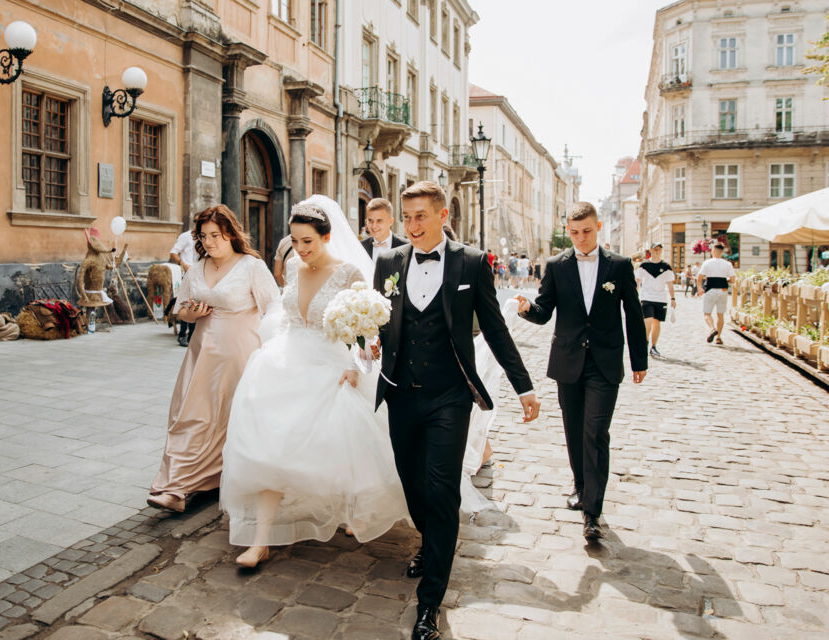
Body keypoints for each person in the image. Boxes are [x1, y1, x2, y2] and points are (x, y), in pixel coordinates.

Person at [373, 181, 540, 640]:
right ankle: (431, 544)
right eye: (407, 217)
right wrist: (369, 342)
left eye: (421, 216)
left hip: (450, 395)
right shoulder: (388, 263)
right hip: (401, 392)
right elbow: (380, 322)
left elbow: (495, 328)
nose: (412, 226)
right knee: (412, 484)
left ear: (443, 215)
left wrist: (524, 387)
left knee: (442, 489)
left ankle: (430, 603)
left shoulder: (471, 262)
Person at [221, 196, 409, 568]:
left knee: (341, 442)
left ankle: (353, 508)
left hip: (331, 364)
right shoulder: (292, 267)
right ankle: (260, 541)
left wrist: (355, 367)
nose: (300, 248)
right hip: (285, 363)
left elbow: (366, 329)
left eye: (307, 241)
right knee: (268, 448)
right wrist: (271, 351)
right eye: (294, 241)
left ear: (326, 237)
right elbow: (287, 317)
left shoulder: (348, 273)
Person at [514, 202, 648, 542]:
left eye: (586, 231)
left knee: (596, 432)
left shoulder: (619, 265)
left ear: (597, 227)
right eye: (574, 233)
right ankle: (580, 485)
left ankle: (592, 511)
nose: (581, 238)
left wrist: (639, 360)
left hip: (604, 363)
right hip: (568, 361)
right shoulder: (557, 265)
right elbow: (545, 310)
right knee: (574, 431)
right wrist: (528, 309)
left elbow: (633, 313)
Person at [148, 206, 279, 513]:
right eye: (203, 236)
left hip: (241, 355)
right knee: (189, 415)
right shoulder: (196, 269)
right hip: (202, 353)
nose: (208, 242)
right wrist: (192, 314)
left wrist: (275, 354)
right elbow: (180, 311)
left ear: (231, 234)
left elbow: (274, 310)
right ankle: (174, 487)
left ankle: (222, 477)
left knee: (231, 417)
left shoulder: (251, 266)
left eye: (215, 236)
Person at [635, 242, 676, 358]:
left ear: (661, 251)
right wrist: (635, 296)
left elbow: (670, 284)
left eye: (659, 249)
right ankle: (645, 342)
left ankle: (653, 346)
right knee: (648, 320)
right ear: (651, 250)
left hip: (660, 298)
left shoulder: (666, 267)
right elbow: (637, 281)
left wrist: (673, 298)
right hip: (647, 297)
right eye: (655, 249)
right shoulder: (644, 266)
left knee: (657, 323)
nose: (657, 251)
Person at [697, 243, 736, 345]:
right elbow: (733, 280)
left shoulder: (707, 263)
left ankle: (712, 329)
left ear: (713, 251)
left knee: (707, 313)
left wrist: (699, 288)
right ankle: (718, 337)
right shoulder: (727, 264)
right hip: (723, 290)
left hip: (710, 290)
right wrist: (724, 280)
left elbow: (699, 278)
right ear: (722, 252)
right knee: (720, 315)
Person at [169, 224, 199, 347]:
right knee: (187, 303)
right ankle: (182, 335)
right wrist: (183, 264)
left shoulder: (203, 237)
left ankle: (192, 335)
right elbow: (173, 252)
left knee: (196, 304)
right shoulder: (186, 236)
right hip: (188, 274)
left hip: (200, 274)